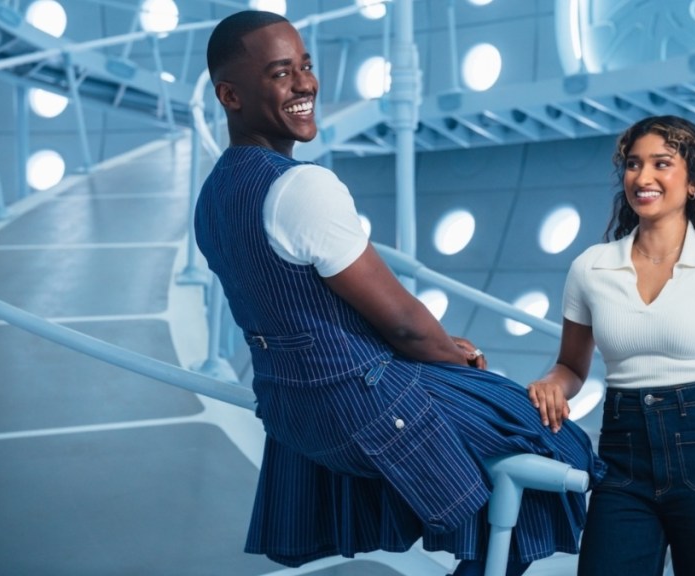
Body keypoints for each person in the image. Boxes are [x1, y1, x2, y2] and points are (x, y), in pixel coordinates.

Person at [193, 10, 604, 576]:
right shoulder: (303, 187)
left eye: (307, 67)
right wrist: (461, 363)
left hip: (291, 411)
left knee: (488, 451)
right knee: (547, 437)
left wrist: (439, 350)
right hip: (355, 402)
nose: (306, 84)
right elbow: (407, 324)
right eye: (281, 74)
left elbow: (296, 307)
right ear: (229, 95)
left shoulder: (211, 198)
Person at [527, 115, 695, 575]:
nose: (642, 177)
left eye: (661, 164)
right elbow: (571, 366)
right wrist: (552, 384)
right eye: (632, 164)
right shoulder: (591, 268)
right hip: (623, 459)